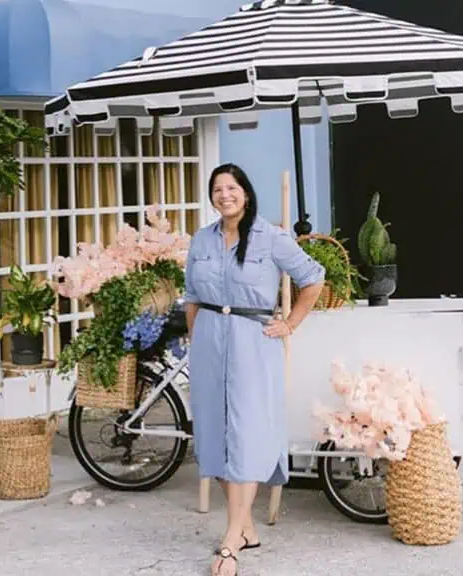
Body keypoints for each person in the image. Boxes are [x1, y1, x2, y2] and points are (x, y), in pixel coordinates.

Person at [184, 163, 325, 576]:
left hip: (251, 341)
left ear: (245, 192)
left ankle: (230, 541)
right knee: (215, 432)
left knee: (244, 433)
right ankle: (245, 527)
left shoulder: (271, 237)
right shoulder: (202, 240)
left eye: (231, 187)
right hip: (209, 341)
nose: (224, 195)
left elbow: (313, 278)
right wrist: (196, 340)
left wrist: (290, 323)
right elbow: (192, 294)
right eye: (217, 189)